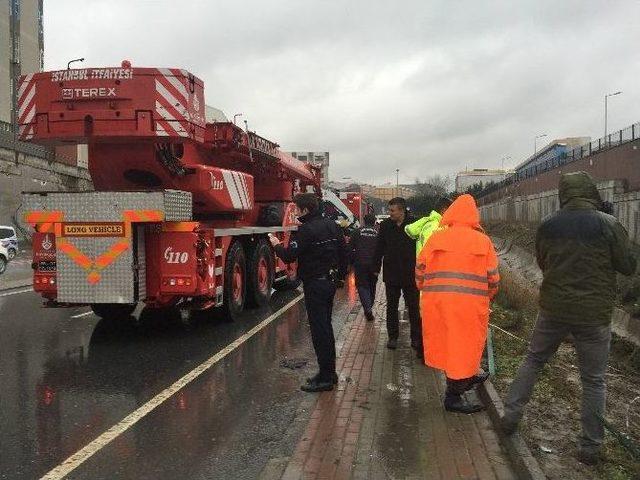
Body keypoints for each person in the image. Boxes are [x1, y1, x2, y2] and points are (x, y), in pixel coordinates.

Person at [501, 172, 636, 465]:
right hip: (594, 314)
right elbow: (627, 265)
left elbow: (542, 261)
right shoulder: (608, 224)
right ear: (590, 191)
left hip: (553, 308)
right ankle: (590, 447)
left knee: (533, 360)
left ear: (563, 193)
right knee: (593, 380)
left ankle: (510, 416)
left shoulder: (548, 225)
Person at [416, 194, 499, 414]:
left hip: (439, 303)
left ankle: (461, 382)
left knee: (448, 344)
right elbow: (493, 278)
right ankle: (454, 395)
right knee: (465, 346)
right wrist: (487, 296)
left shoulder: (436, 238)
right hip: (470, 306)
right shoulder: (483, 241)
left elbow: (420, 270)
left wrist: (426, 289)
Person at [270, 193, 348, 393]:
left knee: (319, 331)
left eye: (296, 209)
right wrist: (340, 277)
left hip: (315, 285)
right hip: (329, 283)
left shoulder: (305, 231)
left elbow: (288, 257)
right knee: (326, 329)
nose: (295, 212)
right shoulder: (333, 226)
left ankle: (325, 378)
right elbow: (344, 254)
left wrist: (276, 244)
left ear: (305, 210)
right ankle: (330, 373)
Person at [373, 197, 422, 354]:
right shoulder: (386, 225)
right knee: (391, 307)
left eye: (392, 210)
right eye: (389, 210)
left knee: (414, 308)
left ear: (402, 210)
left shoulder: (415, 224)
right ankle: (392, 337)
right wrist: (375, 267)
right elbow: (379, 247)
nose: (390, 213)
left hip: (410, 274)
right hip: (392, 273)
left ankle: (416, 338)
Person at [349, 213, 379, 321]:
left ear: (364, 221)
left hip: (360, 263)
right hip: (374, 264)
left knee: (362, 286)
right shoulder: (378, 233)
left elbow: (350, 247)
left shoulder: (357, 232)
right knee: (372, 286)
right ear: (374, 221)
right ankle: (369, 305)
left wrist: (351, 261)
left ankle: (367, 308)